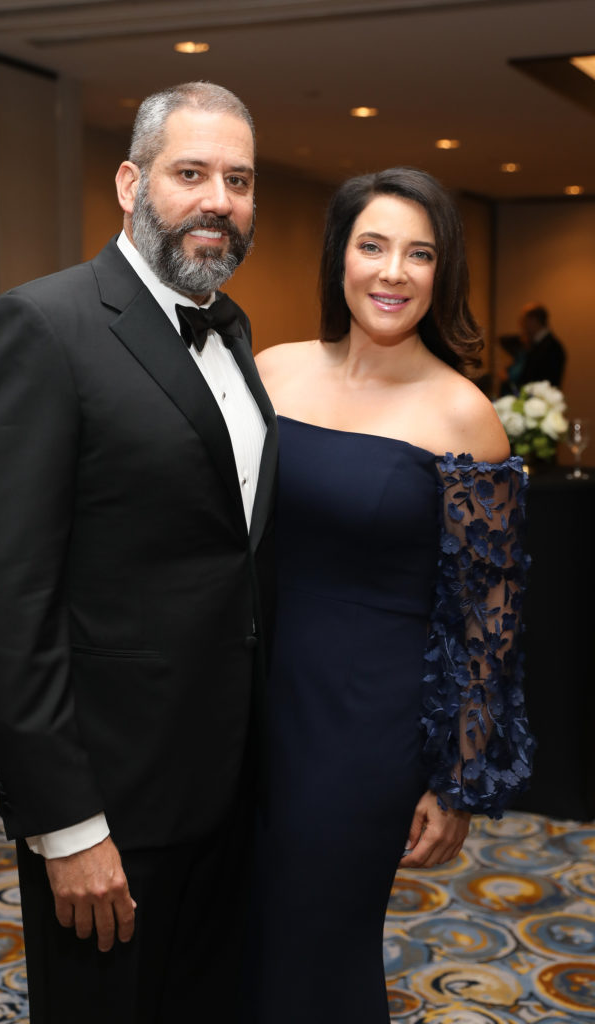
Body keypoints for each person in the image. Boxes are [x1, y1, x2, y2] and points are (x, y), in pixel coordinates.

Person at [0, 81, 277, 1024]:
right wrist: (66, 824)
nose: (219, 198)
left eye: (240, 178)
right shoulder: (40, 329)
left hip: (226, 784)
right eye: (191, 172)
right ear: (131, 182)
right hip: (110, 800)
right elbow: (6, 604)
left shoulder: (233, 331)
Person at [243, 168, 534, 1023]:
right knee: (231, 936)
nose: (392, 272)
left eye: (419, 254)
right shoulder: (272, 370)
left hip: (363, 729)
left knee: (316, 946)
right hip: (244, 703)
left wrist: (456, 781)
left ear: (441, 277)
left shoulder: (464, 415)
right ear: (340, 258)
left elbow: (491, 619)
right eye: (372, 246)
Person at [501, 303, 566, 393]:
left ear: (533, 320)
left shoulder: (551, 348)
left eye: (524, 321)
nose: (522, 325)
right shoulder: (538, 344)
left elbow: (540, 382)